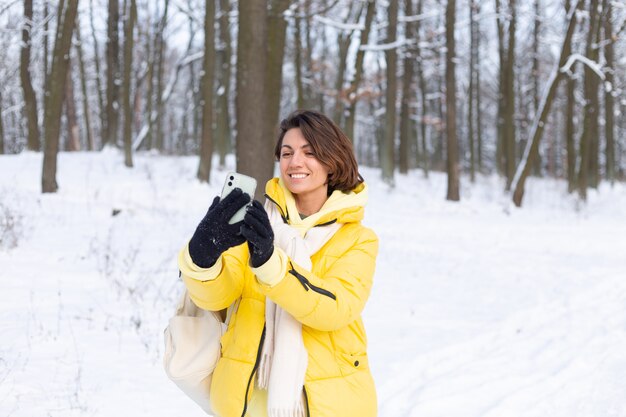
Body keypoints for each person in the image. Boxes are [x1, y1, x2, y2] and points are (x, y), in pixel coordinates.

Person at [178, 110, 378, 417]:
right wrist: (202, 258)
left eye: (309, 152)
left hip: (326, 403)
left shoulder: (358, 239)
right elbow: (218, 298)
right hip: (247, 398)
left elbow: (336, 308)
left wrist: (272, 265)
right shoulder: (256, 224)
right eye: (286, 153)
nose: (295, 162)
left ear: (333, 161)